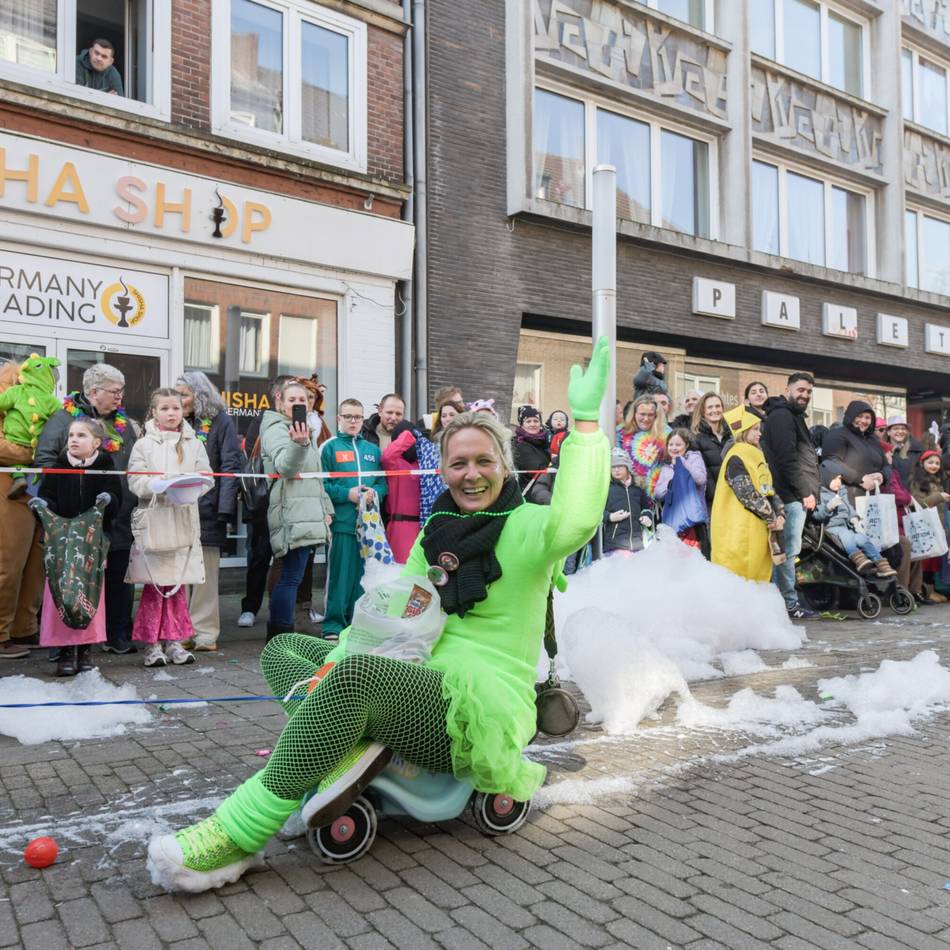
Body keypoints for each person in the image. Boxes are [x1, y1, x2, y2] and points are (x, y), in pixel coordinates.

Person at [146, 337, 612, 895]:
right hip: (419, 675)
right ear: (442, 469)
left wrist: (586, 427)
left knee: (354, 678)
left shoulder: (530, 528)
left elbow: (578, 517)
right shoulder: (436, 530)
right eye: (458, 463)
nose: (471, 475)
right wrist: (342, 653)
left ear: (504, 466)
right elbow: (395, 614)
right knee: (289, 649)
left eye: (484, 461)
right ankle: (338, 744)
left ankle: (239, 832)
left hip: (476, 705)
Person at [35, 364, 141, 653]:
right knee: (71, 578)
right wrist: (66, 493)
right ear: (94, 392)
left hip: (117, 515)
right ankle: (66, 644)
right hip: (76, 518)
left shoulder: (125, 424)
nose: (120, 397)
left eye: (121, 391)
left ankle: (117, 634)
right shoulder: (63, 419)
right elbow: (45, 458)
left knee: (119, 576)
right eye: (114, 391)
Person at [127, 389, 211, 667]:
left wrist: (191, 489)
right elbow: (135, 480)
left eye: (175, 408)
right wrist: (156, 485)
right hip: (155, 520)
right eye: (164, 408)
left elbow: (207, 476)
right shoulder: (143, 445)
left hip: (183, 518)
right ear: (154, 412)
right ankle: (152, 645)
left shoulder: (194, 444)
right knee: (155, 586)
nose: (171, 413)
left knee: (177, 585)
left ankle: (174, 641)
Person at [34, 418, 119, 676]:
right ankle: (65, 651)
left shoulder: (105, 467)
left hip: (91, 545)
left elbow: (118, 499)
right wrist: (42, 505)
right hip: (62, 545)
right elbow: (48, 496)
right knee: (61, 592)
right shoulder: (58, 467)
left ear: (96, 443)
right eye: (71, 435)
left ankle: (85, 650)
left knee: (89, 593)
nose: (74, 439)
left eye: (81, 435)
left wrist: (110, 499)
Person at [173, 373, 243, 652]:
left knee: (204, 573)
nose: (179, 400)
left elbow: (229, 465)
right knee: (180, 572)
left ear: (200, 396)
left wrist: (224, 510)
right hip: (177, 507)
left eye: (184, 394)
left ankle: (204, 632)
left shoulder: (220, 422)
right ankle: (182, 630)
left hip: (208, 507)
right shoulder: (173, 421)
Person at [259, 380, 334, 642]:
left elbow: (315, 477)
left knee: (295, 574)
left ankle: (281, 637)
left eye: (302, 400)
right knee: (290, 576)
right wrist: (299, 445)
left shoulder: (302, 431)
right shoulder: (276, 429)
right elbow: (286, 468)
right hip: (291, 511)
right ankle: (280, 637)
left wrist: (325, 509)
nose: (297, 404)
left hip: (307, 511)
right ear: (279, 402)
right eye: (291, 400)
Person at [320, 400, 387, 640]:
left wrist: (374, 494)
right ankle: (333, 626)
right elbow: (321, 484)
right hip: (342, 523)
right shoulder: (329, 447)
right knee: (339, 577)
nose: (353, 421)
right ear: (338, 418)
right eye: (348, 416)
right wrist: (346, 494)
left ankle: (356, 625)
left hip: (369, 526)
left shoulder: (373, 450)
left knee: (363, 578)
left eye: (357, 417)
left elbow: (383, 483)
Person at [760, 373, 821, 619]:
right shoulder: (783, 416)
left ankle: (783, 603)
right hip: (789, 496)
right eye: (800, 390)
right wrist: (805, 491)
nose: (805, 395)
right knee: (786, 553)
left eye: (809, 391)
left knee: (785, 552)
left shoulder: (790, 415)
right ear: (788, 389)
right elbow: (787, 458)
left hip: (791, 495)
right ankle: (788, 605)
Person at [237, 376, 295, 629]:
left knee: (287, 560)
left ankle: (284, 609)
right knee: (259, 556)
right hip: (264, 502)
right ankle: (250, 607)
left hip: (290, 500)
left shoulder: (302, 422)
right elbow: (254, 453)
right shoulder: (263, 420)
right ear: (278, 396)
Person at [0, 361, 44, 660]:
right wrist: (34, 451)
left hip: (34, 493)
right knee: (9, 563)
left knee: (34, 564)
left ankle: (24, 628)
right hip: (8, 492)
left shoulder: (37, 406)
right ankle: (2, 633)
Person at [711, 407, 785, 582]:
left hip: (756, 530)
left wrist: (780, 514)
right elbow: (746, 493)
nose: (760, 433)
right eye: (755, 429)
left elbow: (768, 489)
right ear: (743, 431)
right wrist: (773, 516)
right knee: (739, 581)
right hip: (738, 531)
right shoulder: (736, 456)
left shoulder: (754, 454)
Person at [813, 466, 897, 576]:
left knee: (861, 538)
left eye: (839, 479)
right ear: (826, 479)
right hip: (831, 527)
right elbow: (817, 516)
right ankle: (858, 558)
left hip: (845, 525)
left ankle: (880, 563)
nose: (838, 482)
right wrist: (828, 508)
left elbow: (849, 507)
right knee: (846, 535)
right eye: (835, 479)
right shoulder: (820, 495)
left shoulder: (841, 491)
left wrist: (854, 518)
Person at [0, 354, 61, 499]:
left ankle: (19, 476)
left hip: (17, 442)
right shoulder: (51, 400)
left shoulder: (15, 393)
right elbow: (60, 420)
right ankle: (20, 476)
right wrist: (37, 454)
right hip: (35, 446)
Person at [880, 440, 923, 601]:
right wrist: (908, 498)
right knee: (905, 544)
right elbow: (896, 494)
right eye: (888, 453)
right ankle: (901, 591)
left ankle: (915, 590)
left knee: (915, 543)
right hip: (889, 524)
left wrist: (907, 497)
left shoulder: (893, 472)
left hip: (900, 520)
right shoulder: (881, 473)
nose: (891, 456)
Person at [821, 400, 889, 497]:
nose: (863, 421)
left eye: (867, 417)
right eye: (859, 416)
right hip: (847, 496)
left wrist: (882, 475)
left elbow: (886, 465)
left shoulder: (872, 439)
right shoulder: (837, 435)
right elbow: (832, 462)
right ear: (851, 416)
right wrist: (860, 480)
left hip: (873, 497)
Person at [655, 428, 707, 548]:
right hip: (673, 520)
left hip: (694, 520)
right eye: (671, 444)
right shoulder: (666, 467)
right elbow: (658, 493)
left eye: (678, 445)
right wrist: (672, 476)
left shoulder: (694, 458)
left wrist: (682, 463)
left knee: (696, 555)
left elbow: (700, 479)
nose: (674, 448)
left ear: (686, 445)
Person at [909, 451, 950, 603]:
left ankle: (930, 589)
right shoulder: (917, 481)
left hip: (938, 525)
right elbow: (919, 504)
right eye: (930, 462)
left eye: (937, 463)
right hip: (925, 525)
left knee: (934, 559)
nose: (934, 466)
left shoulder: (938, 480)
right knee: (926, 560)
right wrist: (939, 497)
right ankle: (924, 590)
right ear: (922, 463)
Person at [417, 399, 464, 524]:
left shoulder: (467, 440)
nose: (447, 419)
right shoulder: (433, 443)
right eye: (443, 416)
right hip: (435, 498)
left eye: (451, 415)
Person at [381, 420, 421, 563]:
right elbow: (387, 456)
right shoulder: (394, 464)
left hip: (422, 525)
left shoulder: (423, 463)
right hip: (399, 526)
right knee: (401, 570)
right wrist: (408, 435)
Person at [603, 449, 653, 554]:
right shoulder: (606, 488)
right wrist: (610, 517)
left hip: (637, 544)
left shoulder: (638, 488)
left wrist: (647, 516)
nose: (616, 470)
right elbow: (596, 514)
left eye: (620, 466)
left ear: (628, 468)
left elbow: (646, 508)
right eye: (613, 467)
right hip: (614, 544)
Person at [617, 395, 667, 498]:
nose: (646, 418)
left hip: (657, 494)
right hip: (628, 494)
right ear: (634, 414)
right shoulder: (621, 432)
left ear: (656, 415)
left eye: (650, 415)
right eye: (642, 414)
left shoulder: (666, 432)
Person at [691, 393, 732, 506]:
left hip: (733, 495)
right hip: (713, 500)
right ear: (703, 411)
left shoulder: (731, 435)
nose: (715, 410)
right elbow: (704, 472)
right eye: (710, 407)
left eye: (718, 406)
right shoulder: (696, 438)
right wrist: (716, 496)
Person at [513, 406, 551, 502]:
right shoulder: (520, 445)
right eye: (528, 421)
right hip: (533, 495)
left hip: (547, 490)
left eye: (536, 421)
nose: (533, 424)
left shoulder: (544, 442)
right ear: (522, 425)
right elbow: (538, 469)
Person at [885, 416, 923, 485]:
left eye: (903, 429)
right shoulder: (882, 451)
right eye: (896, 429)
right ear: (888, 432)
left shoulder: (917, 450)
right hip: (892, 490)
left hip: (913, 490)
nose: (900, 431)